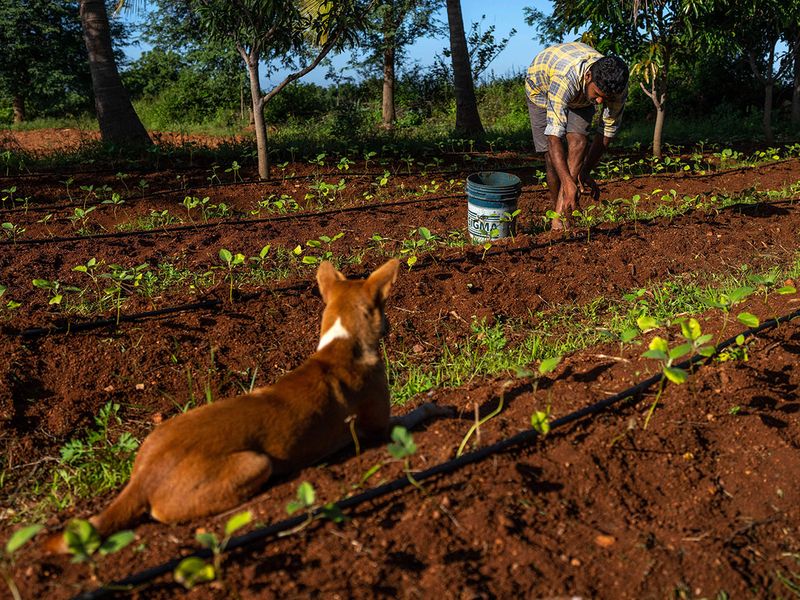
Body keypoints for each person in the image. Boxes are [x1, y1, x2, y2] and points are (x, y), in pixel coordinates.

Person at [526, 42, 629, 230]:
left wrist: (584, 172)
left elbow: (606, 132)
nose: (599, 102)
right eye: (597, 94)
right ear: (588, 76)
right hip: (542, 89)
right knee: (551, 158)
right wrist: (567, 182)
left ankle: (562, 215)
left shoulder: (617, 88)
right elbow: (554, 138)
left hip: (580, 96)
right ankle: (558, 212)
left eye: (605, 99)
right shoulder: (565, 78)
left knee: (579, 142)